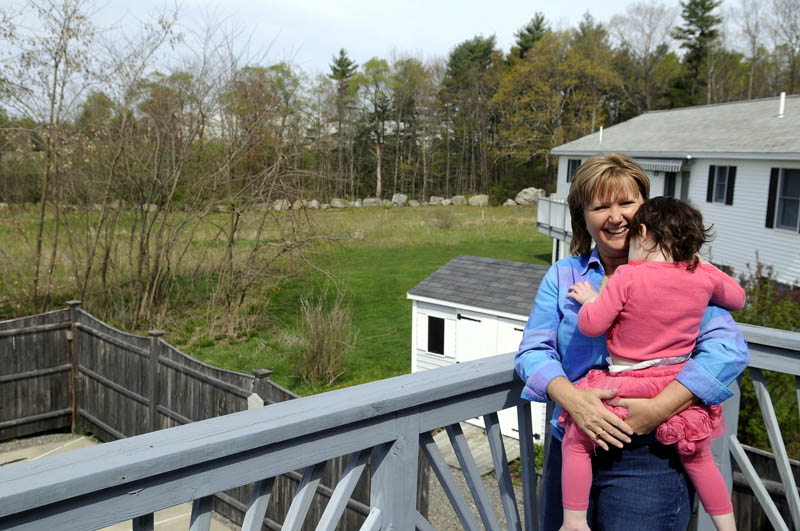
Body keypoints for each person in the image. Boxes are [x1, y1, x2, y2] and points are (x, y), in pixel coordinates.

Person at [514, 153, 748, 531]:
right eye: (600, 206)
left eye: (626, 203)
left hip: (650, 455)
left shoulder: (681, 272)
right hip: (575, 439)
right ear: (583, 217)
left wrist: (657, 408)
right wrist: (574, 401)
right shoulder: (564, 275)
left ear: (645, 209)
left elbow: (727, 351)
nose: (615, 216)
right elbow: (533, 350)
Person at [560, 196, 744, 531]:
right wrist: (702, 265)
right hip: (675, 381)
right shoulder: (701, 276)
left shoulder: (627, 276)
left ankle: (574, 522)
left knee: (576, 441)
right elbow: (737, 299)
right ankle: (727, 526)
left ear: (642, 233)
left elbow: (592, 325)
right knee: (699, 457)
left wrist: (591, 300)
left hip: (627, 383)